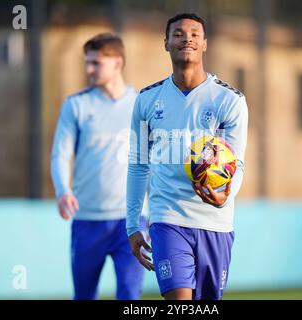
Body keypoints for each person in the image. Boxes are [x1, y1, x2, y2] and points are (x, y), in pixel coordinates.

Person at [126, 13, 249, 300]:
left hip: (215, 224)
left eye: (195, 33)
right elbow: (138, 164)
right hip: (167, 219)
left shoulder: (230, 101)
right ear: (166, 44)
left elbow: (237, 162)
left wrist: (226, 195)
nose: (187, 38)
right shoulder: (146, 100)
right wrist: (133, 224)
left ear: (205, 44)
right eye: (179, 33)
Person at [51, 33, 144, 300]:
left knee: (129, 295)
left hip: (133, 222)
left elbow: (156, 159)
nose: (89, 69)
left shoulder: (142, 104)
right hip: (87, 220)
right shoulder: (76, 105)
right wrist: (62, 190)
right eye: (87, 63)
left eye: (96, 63)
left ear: (117, 63)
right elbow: (60, 153)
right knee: (84, 295)